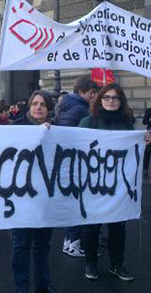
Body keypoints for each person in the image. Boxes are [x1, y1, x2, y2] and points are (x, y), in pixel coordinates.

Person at [78, 83, 151, 282]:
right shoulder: (87, 122)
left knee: (118, 227)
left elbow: (136, 144)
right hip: (92, 185)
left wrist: (145, 139)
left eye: (116, 98)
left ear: (121, 101)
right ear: (100, 100)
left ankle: (117, 265)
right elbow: (75, 147)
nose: (111, 101)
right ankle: (91, 263)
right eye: (107, 97)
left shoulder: (128, 123)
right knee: (91, 227)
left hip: (118, 185)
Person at [11, 90, 56, 293]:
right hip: (20, 197)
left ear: (48, 109)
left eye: (43, 104)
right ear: (29, 107)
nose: (38, 107)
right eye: (35, 104)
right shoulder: (17, 127)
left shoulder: (57, 131)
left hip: (46, 197)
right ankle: (22, 287)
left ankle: (43, 284)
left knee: (42, 245)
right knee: (21, 245)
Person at [55, 76, 98, 258]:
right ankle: (74, 243)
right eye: (92, 93)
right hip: (78, 161)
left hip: (67, 161)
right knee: (78, 203)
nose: (94, 96)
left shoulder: (66, 105)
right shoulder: (81, 108)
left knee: (72, 201)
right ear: (82, 91)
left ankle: (69, 241)